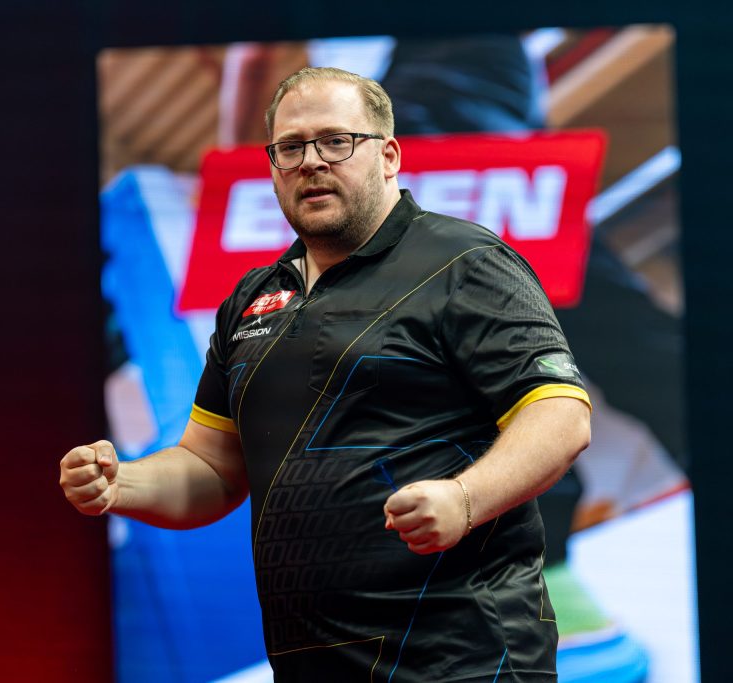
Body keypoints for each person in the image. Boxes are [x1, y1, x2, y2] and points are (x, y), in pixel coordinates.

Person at [61, 67, 591, 681]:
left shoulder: (465, 263)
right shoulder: (250, 301)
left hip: (465, 662)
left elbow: (561, 415)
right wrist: (120, 484)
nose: (311, 161)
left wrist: (465, 499)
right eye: (290, 148)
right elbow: (211, 469)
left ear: (388, 157)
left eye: (336, 141)